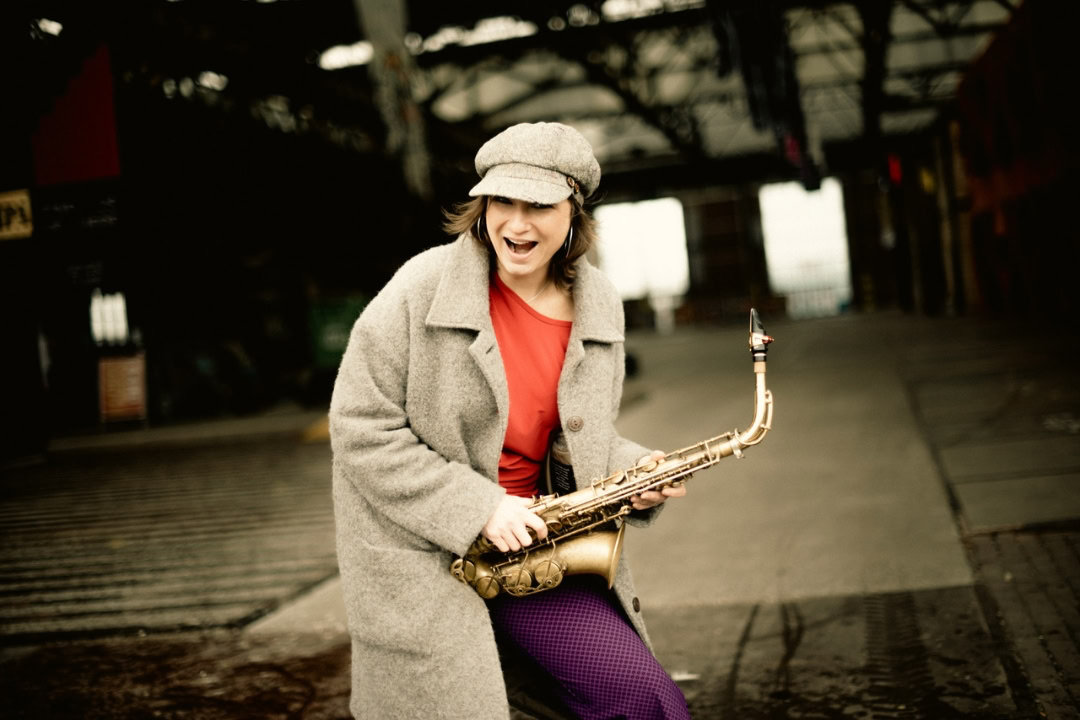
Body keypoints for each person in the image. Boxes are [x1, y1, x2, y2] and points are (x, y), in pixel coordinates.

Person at [330, 121, 691, 719]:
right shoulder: (420, 286)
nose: (516, 225)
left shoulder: (599, 302)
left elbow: (569, 439)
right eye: (502, 202)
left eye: (538, 206)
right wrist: (481, 508)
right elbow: (360, 428)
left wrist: (633, 472)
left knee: (647, 703)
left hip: (534, 550)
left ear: (574, 211)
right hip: (429, 557)